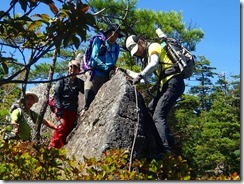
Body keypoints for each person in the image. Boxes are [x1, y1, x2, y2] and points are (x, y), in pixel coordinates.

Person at [124, 35, 185, 153]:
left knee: (158, 116)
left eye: (137, 50)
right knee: (150, 110)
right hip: (168, 85)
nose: (137, 54)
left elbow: (154, 64)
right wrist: (127, 72)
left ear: (141, 42)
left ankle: (166, 150)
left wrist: (141, 75)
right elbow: (143, 80)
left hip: (173, 82)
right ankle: (169, 145)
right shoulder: (147, 57)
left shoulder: (153, 46)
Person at [82, 24, 124, 113]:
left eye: (117, 35)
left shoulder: (116, 47)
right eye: (113, 34)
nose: (115, 37)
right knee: (89, 94)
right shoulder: (99, 40)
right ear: (108, 33)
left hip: (106, 76)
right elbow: (94, 56)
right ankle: (85, 111)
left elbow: (114, 60)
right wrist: (105, 67)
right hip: (94, 73)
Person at [49, 59, 84, 149]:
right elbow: (56, 95)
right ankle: (52, 147)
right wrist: (58, 110)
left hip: (72, 109)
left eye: (75, 67)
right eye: (71, 67)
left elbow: (86, 91)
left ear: (79, 70)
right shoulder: (62, 80)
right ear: (68, 69)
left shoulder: (79, 83)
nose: (72, 69)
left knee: (68, 129)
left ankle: (60, 147)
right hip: (62, 108)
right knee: (61, 127)